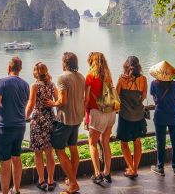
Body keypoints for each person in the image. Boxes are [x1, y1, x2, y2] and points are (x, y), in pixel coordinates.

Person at [44, 52, 85, 194]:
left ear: (65, 63)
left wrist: (52, 103)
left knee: (59, 149)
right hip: (78, 118)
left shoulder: (63, 77)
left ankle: (73, 184)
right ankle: (71, 179)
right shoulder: (81, 77)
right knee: (73, 148)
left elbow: (63, 100)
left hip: (65, 119)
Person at [0, 57, 30, 194]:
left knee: (5, 162)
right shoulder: (25, 84)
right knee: (16, 157)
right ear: (19, 69)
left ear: (9, 68)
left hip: (5, 126)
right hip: (20, 126)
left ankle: (5, 192)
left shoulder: (2, 82)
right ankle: (17, 189)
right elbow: (24, 104)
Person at [149, 60, 175, 177]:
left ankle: (160, 167)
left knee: (161, 142)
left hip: (160, 116)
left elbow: (153, 96)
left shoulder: (154, 84)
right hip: (174, 116)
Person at [84, 52, 117, 185]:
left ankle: (97, 174)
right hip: (111, 113)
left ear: (91, 62)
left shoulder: (90, 77)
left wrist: (84, 115)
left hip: (98, 113)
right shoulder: (108, 76)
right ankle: (107, 172)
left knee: (92, 143)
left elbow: (86, 99)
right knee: (105, 142)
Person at [25, 62, 58, 192]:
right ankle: (51, 181)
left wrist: (25, 117)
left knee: (38, 152)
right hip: (50, 119)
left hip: (38, 120)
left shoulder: (34, 86)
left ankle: (42, 181)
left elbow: (31, 104)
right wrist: (52, 104)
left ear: (36, 73)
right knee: (49, 152)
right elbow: (59, 101)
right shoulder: (52, 85)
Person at [116, 56, 148, 179]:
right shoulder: (143, 79)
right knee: (137, 141)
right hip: (138, 115)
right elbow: (144, 95)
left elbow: (116, 95)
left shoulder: (122, 79)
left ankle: (131, 168)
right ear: (138, 67)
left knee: (124, 142)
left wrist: (125, 102)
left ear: (126, 66)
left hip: (125, 115)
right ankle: (134, 167)